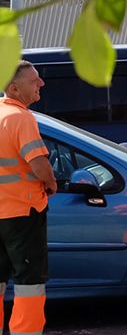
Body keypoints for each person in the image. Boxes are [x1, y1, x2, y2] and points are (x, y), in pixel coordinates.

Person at [0, 62, 56, 335]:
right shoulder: (20, 118)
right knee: (29, 283)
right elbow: (40, 165)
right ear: (14, 88)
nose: (41, 84)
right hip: (23, 214)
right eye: (34, 80)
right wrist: (51, 183)